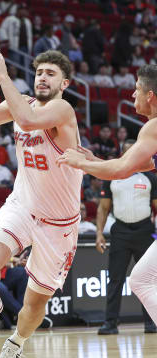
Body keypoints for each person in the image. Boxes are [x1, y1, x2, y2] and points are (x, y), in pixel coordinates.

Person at [0, 49, 83, 358]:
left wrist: (1, 76)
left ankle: (16, 343)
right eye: (39, 72)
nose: (42, 77)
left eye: (51, 73)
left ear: (64, 83)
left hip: (59, 224)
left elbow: (27, 122)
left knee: (35, 302)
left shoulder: (62, 110)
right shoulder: (20, 102)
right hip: (23, 206)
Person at [57, 64, 157, 334]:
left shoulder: (153, 127)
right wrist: (95, 161)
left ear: (150, 96)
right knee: (141, 279)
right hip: (127, 228)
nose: (131, 94)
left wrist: (79, 162)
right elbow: (134, 165)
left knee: (143, 279)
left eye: (136, 89)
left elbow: (120, 170)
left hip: (142, 227)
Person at [95, 140, 157, 334]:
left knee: (148, 279)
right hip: (120, 231)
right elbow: (103, 208)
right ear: (123, 154)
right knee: (115, 279)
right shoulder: (112, 175)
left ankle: (151, 322)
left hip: (144, 231)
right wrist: (99, 234)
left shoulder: (150, 177)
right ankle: (110, 323)